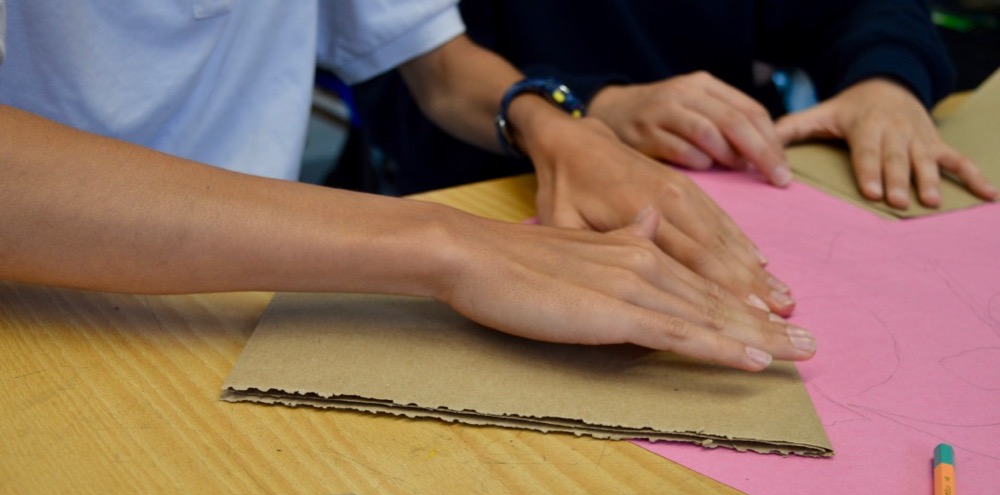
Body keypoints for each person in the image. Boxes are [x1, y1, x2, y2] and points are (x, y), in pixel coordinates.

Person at [0, 1, 815, 372]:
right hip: (46, 330)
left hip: (256, 311)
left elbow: (430, 58)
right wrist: (442, 243)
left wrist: (552, 123)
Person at [351, 0, 997, 211]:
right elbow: (418, 74)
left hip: (729, 180)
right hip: (497, 189)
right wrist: (594, 106)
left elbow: (856, 9)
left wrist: (885, 79)